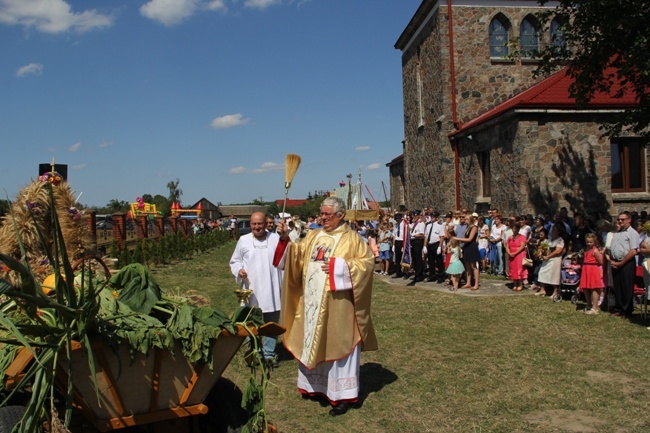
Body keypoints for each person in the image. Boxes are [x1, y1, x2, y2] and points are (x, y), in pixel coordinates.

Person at [274, 197, 378, 416]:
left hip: (339, 305)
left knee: (338, 344)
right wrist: (286, 238)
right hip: (312, 302)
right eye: (321, 214)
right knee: (312, 341)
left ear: (340, 215)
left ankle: (343, 396)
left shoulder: (352, 239)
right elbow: (297, 255)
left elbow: (366, 264)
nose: (322, 218)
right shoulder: (313, 235)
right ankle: (315, 387)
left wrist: (339, 267)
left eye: (327, 215)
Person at [229, 212, 283, 364]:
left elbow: (287, 256)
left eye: (260, 224)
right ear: (250, 224)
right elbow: (235, 261)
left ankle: (269, 354)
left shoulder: (276, 239)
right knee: (250, 322)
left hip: (272, 287)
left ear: (266, 224)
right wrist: (239, 270)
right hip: (252, 288)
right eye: (254, 224)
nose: (257, 227)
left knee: (271, 323)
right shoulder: (243, 240)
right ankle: (254, 351)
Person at [606, 211, 639, 318]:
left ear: (629, 220)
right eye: (619, 219)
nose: (620, 221)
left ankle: (627, 311)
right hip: (615, 262)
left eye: (622, 219)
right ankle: (618, 308)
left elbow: (633, 251)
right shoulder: (617, 232)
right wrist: (612, 260)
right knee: (618, 287)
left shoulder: (632, 233)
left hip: (626, 263)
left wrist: (621, 263)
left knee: (626, 287)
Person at [537, 225, 565, 300]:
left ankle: (555, 292)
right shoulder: (549, 239)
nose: (553, 232)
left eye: (554, 230)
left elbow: (558, 250)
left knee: (554, 276)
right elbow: (542, 247)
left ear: (558, 232)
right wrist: (540, 254)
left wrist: (549, 256)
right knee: (542, 272)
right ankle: (542, 290)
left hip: (555, 259)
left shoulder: (560, 240)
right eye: (552, 230)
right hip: (546, 259)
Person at [453, 214, 480, 290]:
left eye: (467, 219)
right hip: (466, 247)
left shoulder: (474, 227)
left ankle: (476, 284)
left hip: (472, 247)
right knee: (467, 265)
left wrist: (457, 239)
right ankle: (468, 282)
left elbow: (470, 239)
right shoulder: (467, 227)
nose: (465, 220)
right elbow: (465, 238)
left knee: (474, 266)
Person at [580, 233, 604, 314]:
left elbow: (600, 261)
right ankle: (588, 304)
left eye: (591, 242)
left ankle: (595, 307)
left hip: (593, 269)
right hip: (585, 268)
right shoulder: (585, 249)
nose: (589, 244)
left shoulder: (595, 250)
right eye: (587, 242)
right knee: (585, 287)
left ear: (594, 242)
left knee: (594, 288)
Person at [505, 223, 528, 291]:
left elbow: (522, 246)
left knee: (519, 269)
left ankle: (520, 284)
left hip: (519, 255)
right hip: (511, 255)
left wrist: (515, 253)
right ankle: (515, 284)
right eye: (513, 229)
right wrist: (509, 253)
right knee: (513, 269)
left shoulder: (522, 237)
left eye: (516, 229)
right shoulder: (510, 238)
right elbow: (507, 246)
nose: (514, 230)